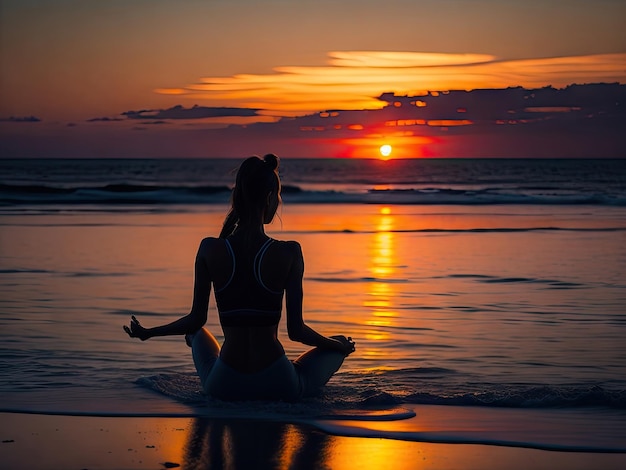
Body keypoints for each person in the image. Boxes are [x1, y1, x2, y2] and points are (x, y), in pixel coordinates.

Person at [124, 154, 355, 401]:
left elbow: (194, 320)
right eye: (278, 196)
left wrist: (149, 332)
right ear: (269, 198)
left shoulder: (209, 249)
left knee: (196, 332)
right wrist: (339, 346)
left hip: (225, 383)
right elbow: (296, 332)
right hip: (277, 382)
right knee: (338, 342)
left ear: (237, 197)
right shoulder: (289, 251)